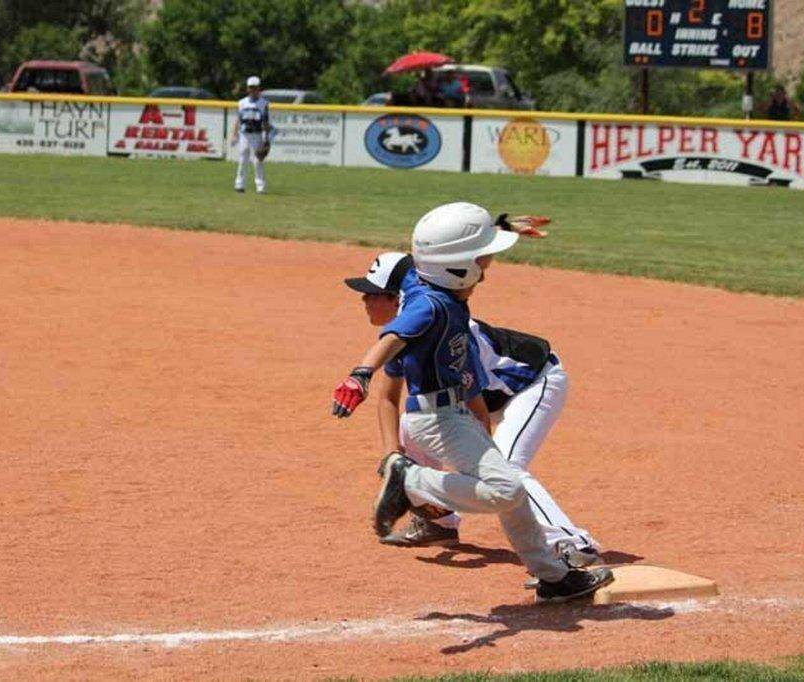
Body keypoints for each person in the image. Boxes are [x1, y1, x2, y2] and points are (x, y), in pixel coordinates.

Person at [332, 202, 613, 602]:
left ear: (399, 295)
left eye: (373, 294)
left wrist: (498, 231)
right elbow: (392, 384)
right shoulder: (427, 305)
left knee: (508, 473)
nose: (365, 301)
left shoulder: (433, 309)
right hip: (450, 411)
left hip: (533, 384)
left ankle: (569, 547)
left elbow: (466, 379)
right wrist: (390, 451)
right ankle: (435, 511)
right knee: (495, 479)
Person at [231, 75, 271, 194]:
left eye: (255, 87)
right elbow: (238, 119)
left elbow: (266, 122)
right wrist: (234, 134)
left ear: (259, 88)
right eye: (251, 87)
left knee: (258, 160)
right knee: (243, 159)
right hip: (244, 134)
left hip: (257, 134)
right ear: (248, 89)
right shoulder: (242, 103)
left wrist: (266, 138)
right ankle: (239, 184)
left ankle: (260, 186)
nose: (253, 90)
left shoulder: (263, 103)